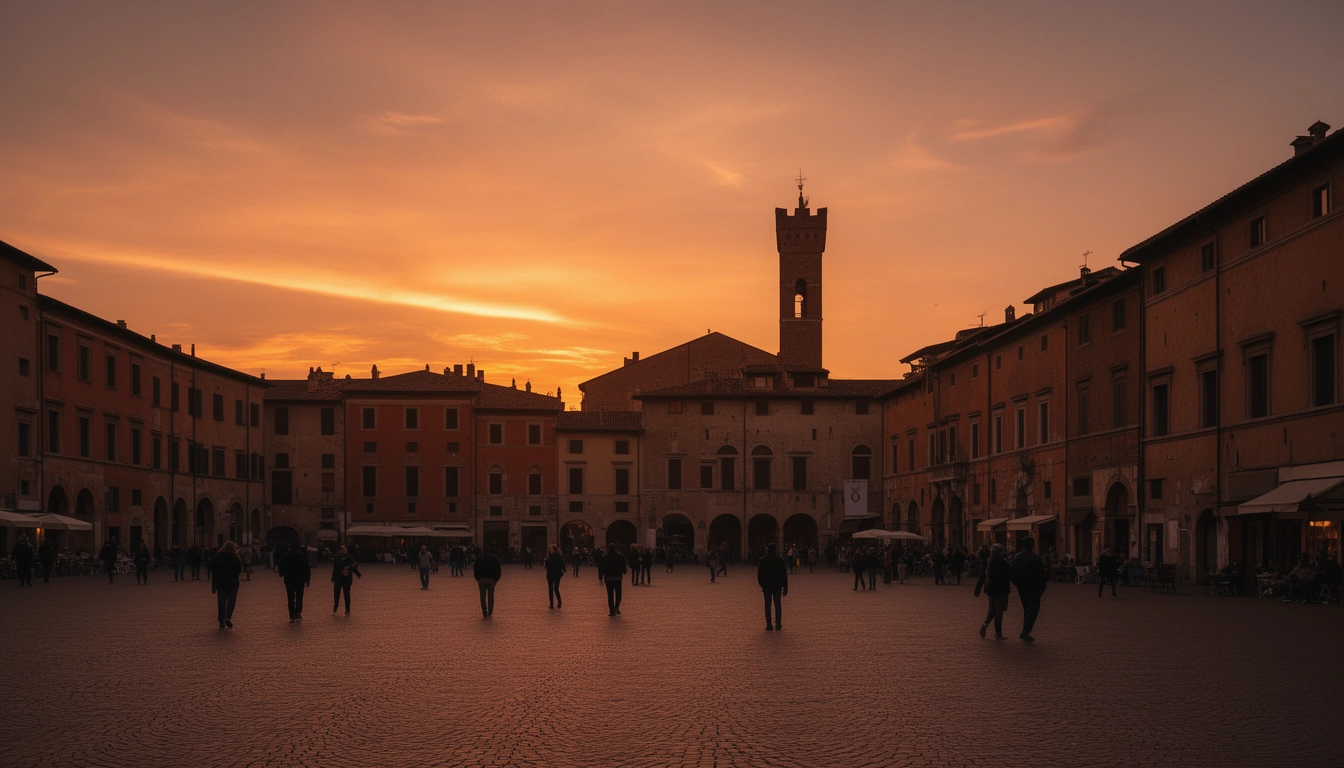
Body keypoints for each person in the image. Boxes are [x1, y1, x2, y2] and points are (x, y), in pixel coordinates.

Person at [1010, 537, 1047, 642]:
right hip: (1034, 588)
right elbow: (1041, 575)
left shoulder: (1017, 557)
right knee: (1033, 609)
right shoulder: (1036, 558)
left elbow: (1013, 574)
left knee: (1027, 609)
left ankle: (1025, 631)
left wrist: (1018, 584)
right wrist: (1041, 588)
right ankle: (1025, 631)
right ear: (1032, 545)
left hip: (1022, 587)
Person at [974, 543, 1012, 639]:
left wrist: (977, 588)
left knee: (992, 610)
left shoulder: (988, 561)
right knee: (999, 612)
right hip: (1001, 590)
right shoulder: (1003, 562)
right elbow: (1009, 575)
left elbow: (982, 576)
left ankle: (985, 624)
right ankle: (998, 634)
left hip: (990, 589)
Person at [211, 541, 243, 629]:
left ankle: (221, 620)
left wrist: (213, 585)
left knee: (221, 602)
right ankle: (228, 617)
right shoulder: (235, 557)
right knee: (231, 601)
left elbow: (214, 571)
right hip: (232, 583)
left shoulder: (218, 557)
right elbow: (239, 570)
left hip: (221, 582)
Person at [757, 543, 789, 631]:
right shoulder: (780, 560)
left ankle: (769, 624)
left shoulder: (763, 560)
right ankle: (778, 624)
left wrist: (762, 585)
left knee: (767, 605)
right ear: (775, 550)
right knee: (777, 604)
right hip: (777, 586)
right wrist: (785, 588)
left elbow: (759, 575)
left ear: (768, 550)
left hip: (766, 586)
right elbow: (784, 575)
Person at [278, 541, 311, 622]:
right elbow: (306, 568)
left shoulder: (286, 555)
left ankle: (291, 614)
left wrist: (281, 573)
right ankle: (298, 612)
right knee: (299, 596)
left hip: (289, 579)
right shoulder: (301, 555)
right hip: (300, 579)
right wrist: (307, 579)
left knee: (290, 597)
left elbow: (281, 565)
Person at [331, 545, 362, 614]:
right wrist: (333, 577)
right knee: (336, 593)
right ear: (340, 550)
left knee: (347, 594)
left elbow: (353, 567)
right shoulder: (337, 557)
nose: (345, 551)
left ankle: (347, 609)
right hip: (338, 577)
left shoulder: (350, 557)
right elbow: (335, 568)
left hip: (347, 578)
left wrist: (358, 573)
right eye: (343, 549)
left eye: (345, 550)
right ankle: (335, 607)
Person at [599, 544, 627, 616]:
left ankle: (611, 610)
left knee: (610, 595)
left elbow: (601, 568)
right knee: (618, 594)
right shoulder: (620, 557)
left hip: (608, 578)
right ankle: (616, 607)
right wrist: (623, 571)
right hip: (617, 578)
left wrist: (600, 577)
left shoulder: (605, 557)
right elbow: (624, 568)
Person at [474, 547, 501, 618]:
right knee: (491, 596)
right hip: (492, 579)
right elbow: (498, 569)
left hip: (481, 579)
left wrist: (478, 579)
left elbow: (475, 569)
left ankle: (484, 612)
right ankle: (490, 612)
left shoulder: (479, 558)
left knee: (482, 597)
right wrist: (496, 579)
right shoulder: (494, 558)